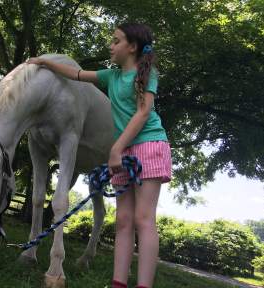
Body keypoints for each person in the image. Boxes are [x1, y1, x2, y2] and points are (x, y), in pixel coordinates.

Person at [27, 22, 171, 288]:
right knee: (124, 219)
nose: (111, 45)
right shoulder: (111, 77)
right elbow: (76, 74)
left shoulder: (146, 73)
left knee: (143, 219)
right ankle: (118, 282)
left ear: (132, 46)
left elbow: (143, 112)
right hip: (123, 151)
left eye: (116, 41)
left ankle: (144, 285)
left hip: (149, 145)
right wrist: (45, 62)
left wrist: (115, 148)